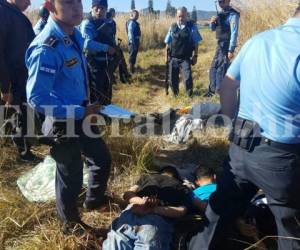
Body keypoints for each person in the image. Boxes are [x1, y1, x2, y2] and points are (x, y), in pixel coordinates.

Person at [189, 5, 300, 250]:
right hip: (281, 156)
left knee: (219, 212)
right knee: (291, 230)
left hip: (241, 144)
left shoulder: (258, 41)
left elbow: (227, 86)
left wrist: (231, 123)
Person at [26, 0, 112, 235]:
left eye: (78, 1)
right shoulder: (47, 46)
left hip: (82, 112)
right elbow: (37, 98)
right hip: (61, 120)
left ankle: (94, 200)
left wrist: (87, 107)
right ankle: (70, 226)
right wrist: (80, 111)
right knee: (71, 175)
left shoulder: (74, 36)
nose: (77, 7)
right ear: (51, 6)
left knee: (101, 159)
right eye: (68, 2)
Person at [102, 166, 191, 250]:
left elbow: (127, 194)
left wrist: (142, 202)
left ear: (160, 172)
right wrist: (153, 209)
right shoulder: (181, 187)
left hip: (132, 213)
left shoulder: (147, 177)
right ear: (176, 177)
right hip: (157, 220)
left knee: (116, 241)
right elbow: (181, 211)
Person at [0, 0, 36, 162]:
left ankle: (20, 149)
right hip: (9, 81)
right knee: (11, 116)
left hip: (22, 79)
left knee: (19, 117)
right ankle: (20, 153)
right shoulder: (3, 12)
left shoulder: (21, 18)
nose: (29, 2)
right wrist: (4, 87)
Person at [80, 0, 116, 105]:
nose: (99, 11)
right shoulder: (87, 23)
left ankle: (106, 117)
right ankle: (96, 118)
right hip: (94, 64)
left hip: (107, 63)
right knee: (97, 95)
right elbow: (87, 43)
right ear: (92, 8)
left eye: (102, 8)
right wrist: (106, 48)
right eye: (97, 8)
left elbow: (110, 38)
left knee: (107, 92)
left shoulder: (107, 22)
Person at [204, 0, 240, 97]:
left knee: (221, 68)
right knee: (213, 67)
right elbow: (213, 29)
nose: (221, 4)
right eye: (219, 2)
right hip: (219, 44)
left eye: (222, 1)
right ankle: (212, 90)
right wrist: (212, 22)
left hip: (226, 45)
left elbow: (234, 33)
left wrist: (231, 49)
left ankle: (219, 92)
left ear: (228, 1)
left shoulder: (233, 15)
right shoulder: (220, 14)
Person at [164, 7, 202, 97]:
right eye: (179, 16)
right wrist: (165, 57)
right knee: (173, 80)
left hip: (185, 59)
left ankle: (189, 96)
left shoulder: (191, 27)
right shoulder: (172, 27)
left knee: (188, 78)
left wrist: (195, 56)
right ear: (177, 16)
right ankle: (175, 95)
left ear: (186, 15)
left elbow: (196, 43)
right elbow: (167, 43)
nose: (181, 18)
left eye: (182, 16)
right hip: (173, 58)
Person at [127, 9, 141, 74]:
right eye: (136, 15)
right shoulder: (132, 22)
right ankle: (131, 71)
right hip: (133, 43)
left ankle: (132, 69)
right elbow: (130, 33)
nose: (137, 16)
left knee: (133, 56)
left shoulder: (134, 22)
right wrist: (133, 42)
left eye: (138, 15)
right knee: (132, 57)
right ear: (132, 14)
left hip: (135, 42)